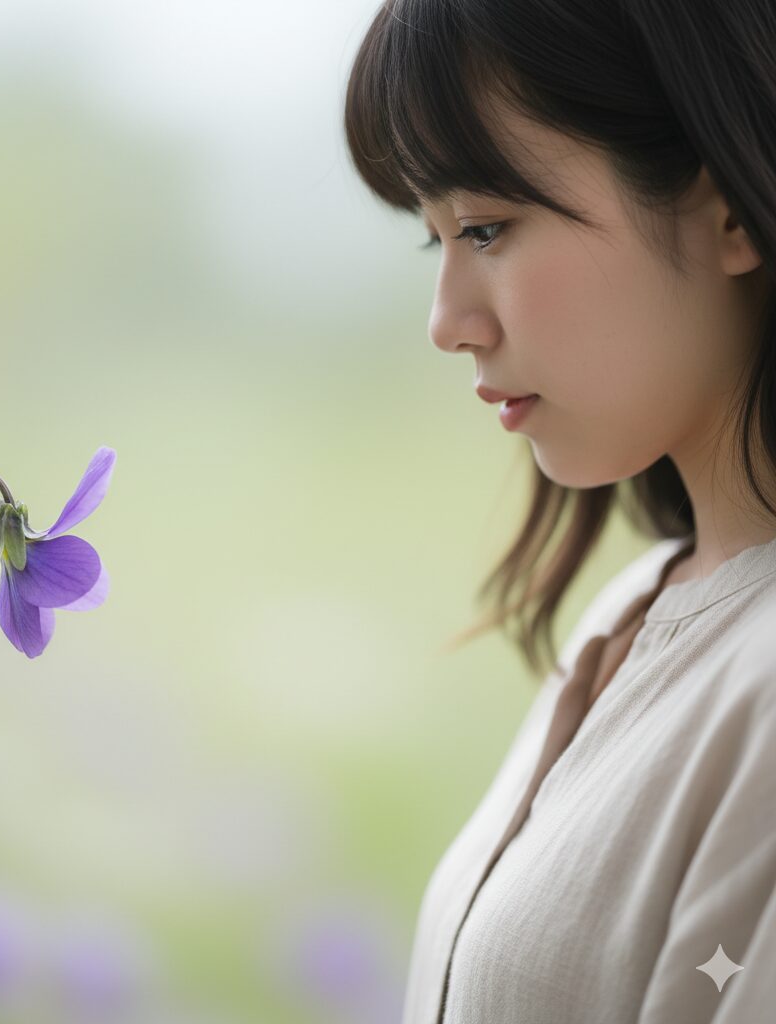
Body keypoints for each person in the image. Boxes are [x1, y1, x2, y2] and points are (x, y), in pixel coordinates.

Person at [342, 1, 776, 1022]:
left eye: (487, 227)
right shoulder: (638, 606)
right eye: (435, 239)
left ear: (725, 212)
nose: (448, 322)